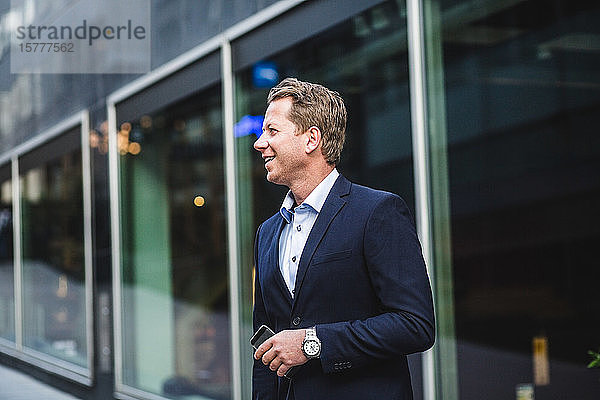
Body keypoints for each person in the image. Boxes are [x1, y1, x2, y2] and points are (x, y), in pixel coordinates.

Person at [252, 77, 435, 400]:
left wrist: (313, 342)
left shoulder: (378, 211)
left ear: (311, 140)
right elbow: (266, 349)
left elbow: (415, 324)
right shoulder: (267, 233)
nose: (259, 142)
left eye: (272, 131)